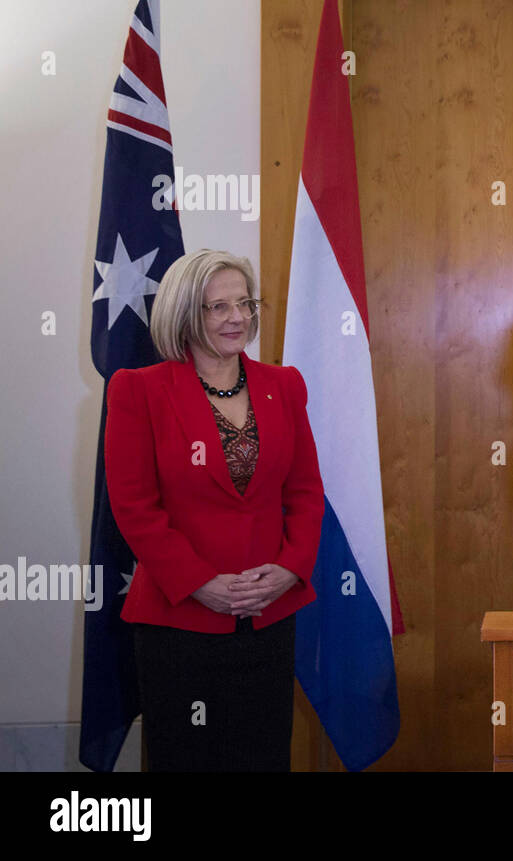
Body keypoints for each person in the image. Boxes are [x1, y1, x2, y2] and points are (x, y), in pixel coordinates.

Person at [105, 249, 324, 771]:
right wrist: (201, 582)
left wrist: (289, 569)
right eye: (218, 307)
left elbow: (306, 492)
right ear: (185, 314)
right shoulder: (138, 391)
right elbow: (135, 508)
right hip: (179, 623)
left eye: (245, 303)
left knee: (263, 757)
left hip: (268, 617)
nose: (238, 318)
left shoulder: (284, 385)